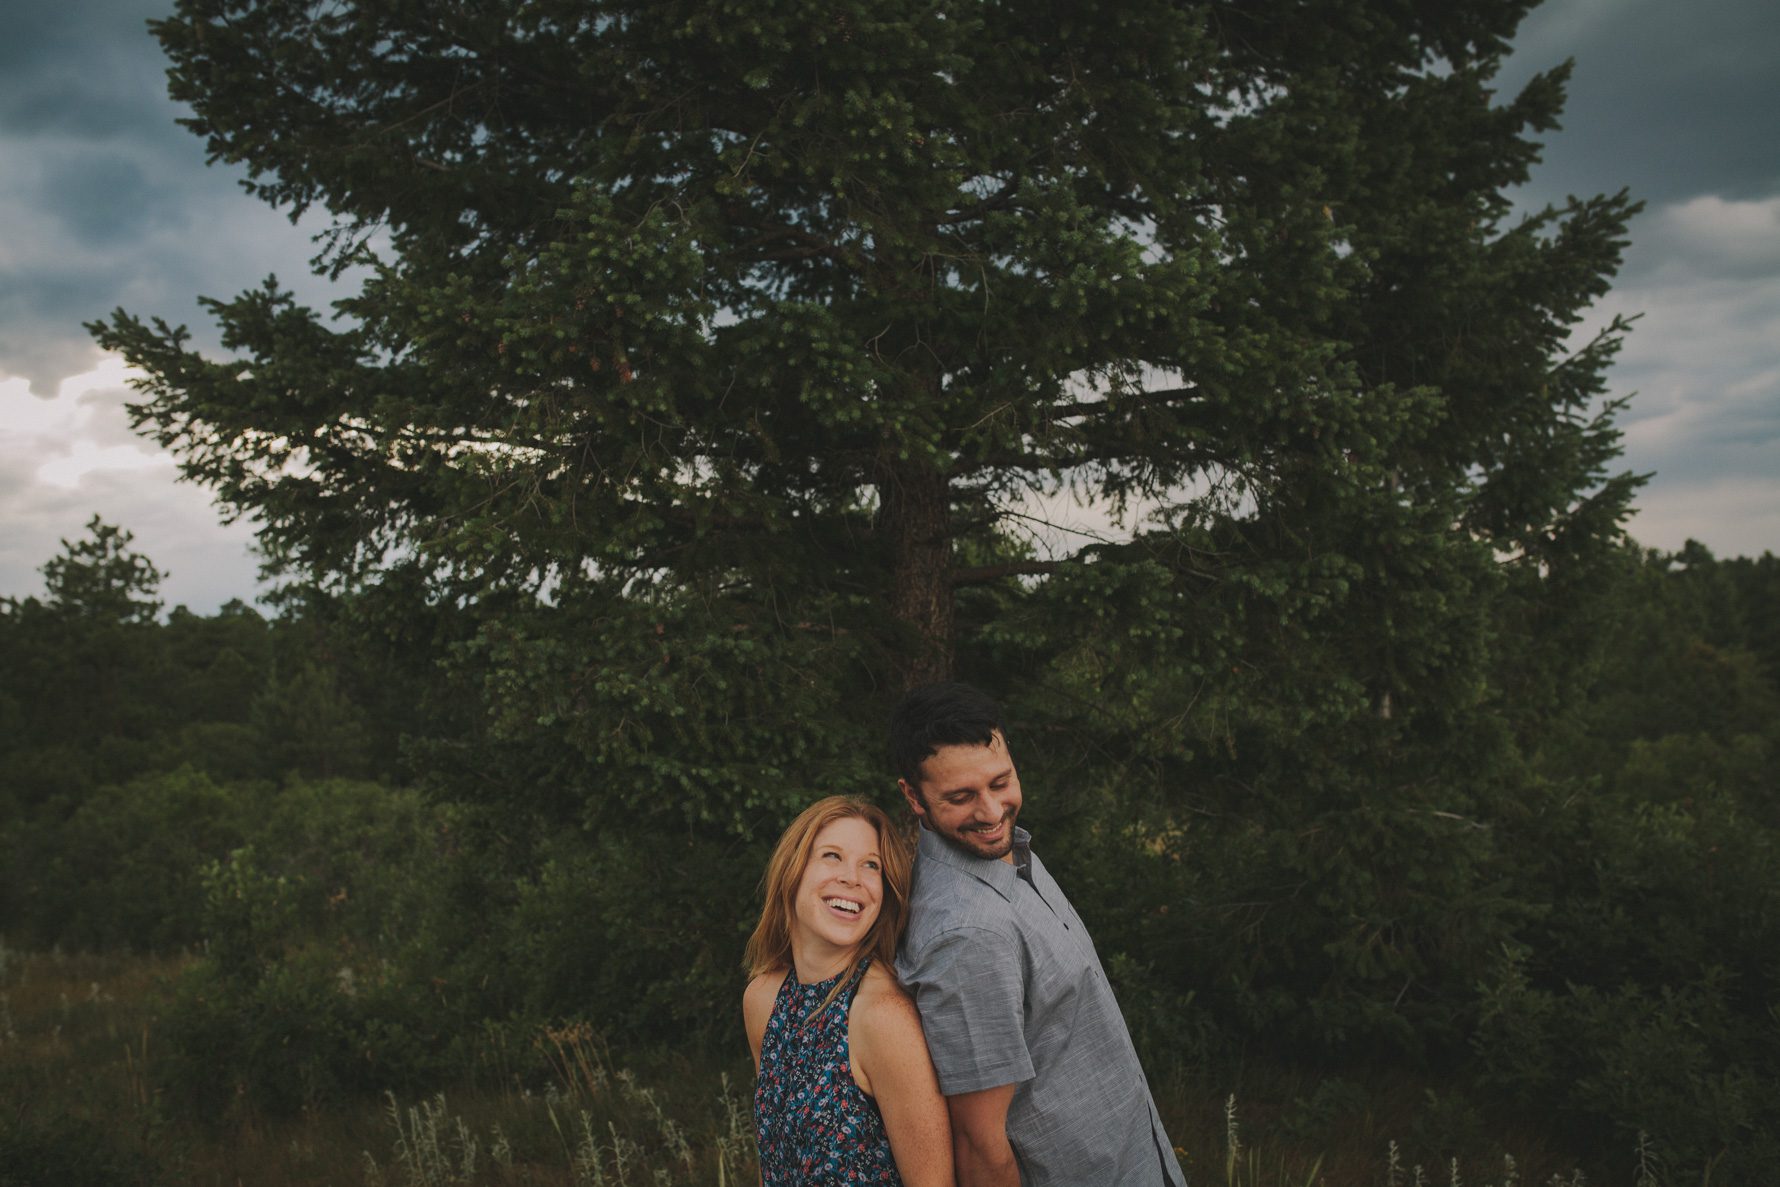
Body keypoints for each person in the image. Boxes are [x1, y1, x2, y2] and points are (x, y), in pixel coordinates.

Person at [890, 683, 1188, 1187]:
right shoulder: (966, 935)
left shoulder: (1012, 852)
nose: (990, 812)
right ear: (912, 796)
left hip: (1133, 1159)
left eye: (1000, 782)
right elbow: (979, 1145)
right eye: (960, 797)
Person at [744, 795, 955, 1186]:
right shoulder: (763, 998)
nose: (852, 878)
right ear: (792, 869)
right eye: (831, 856)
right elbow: (774, 1158)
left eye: (870, 865)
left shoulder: (881, 1017)